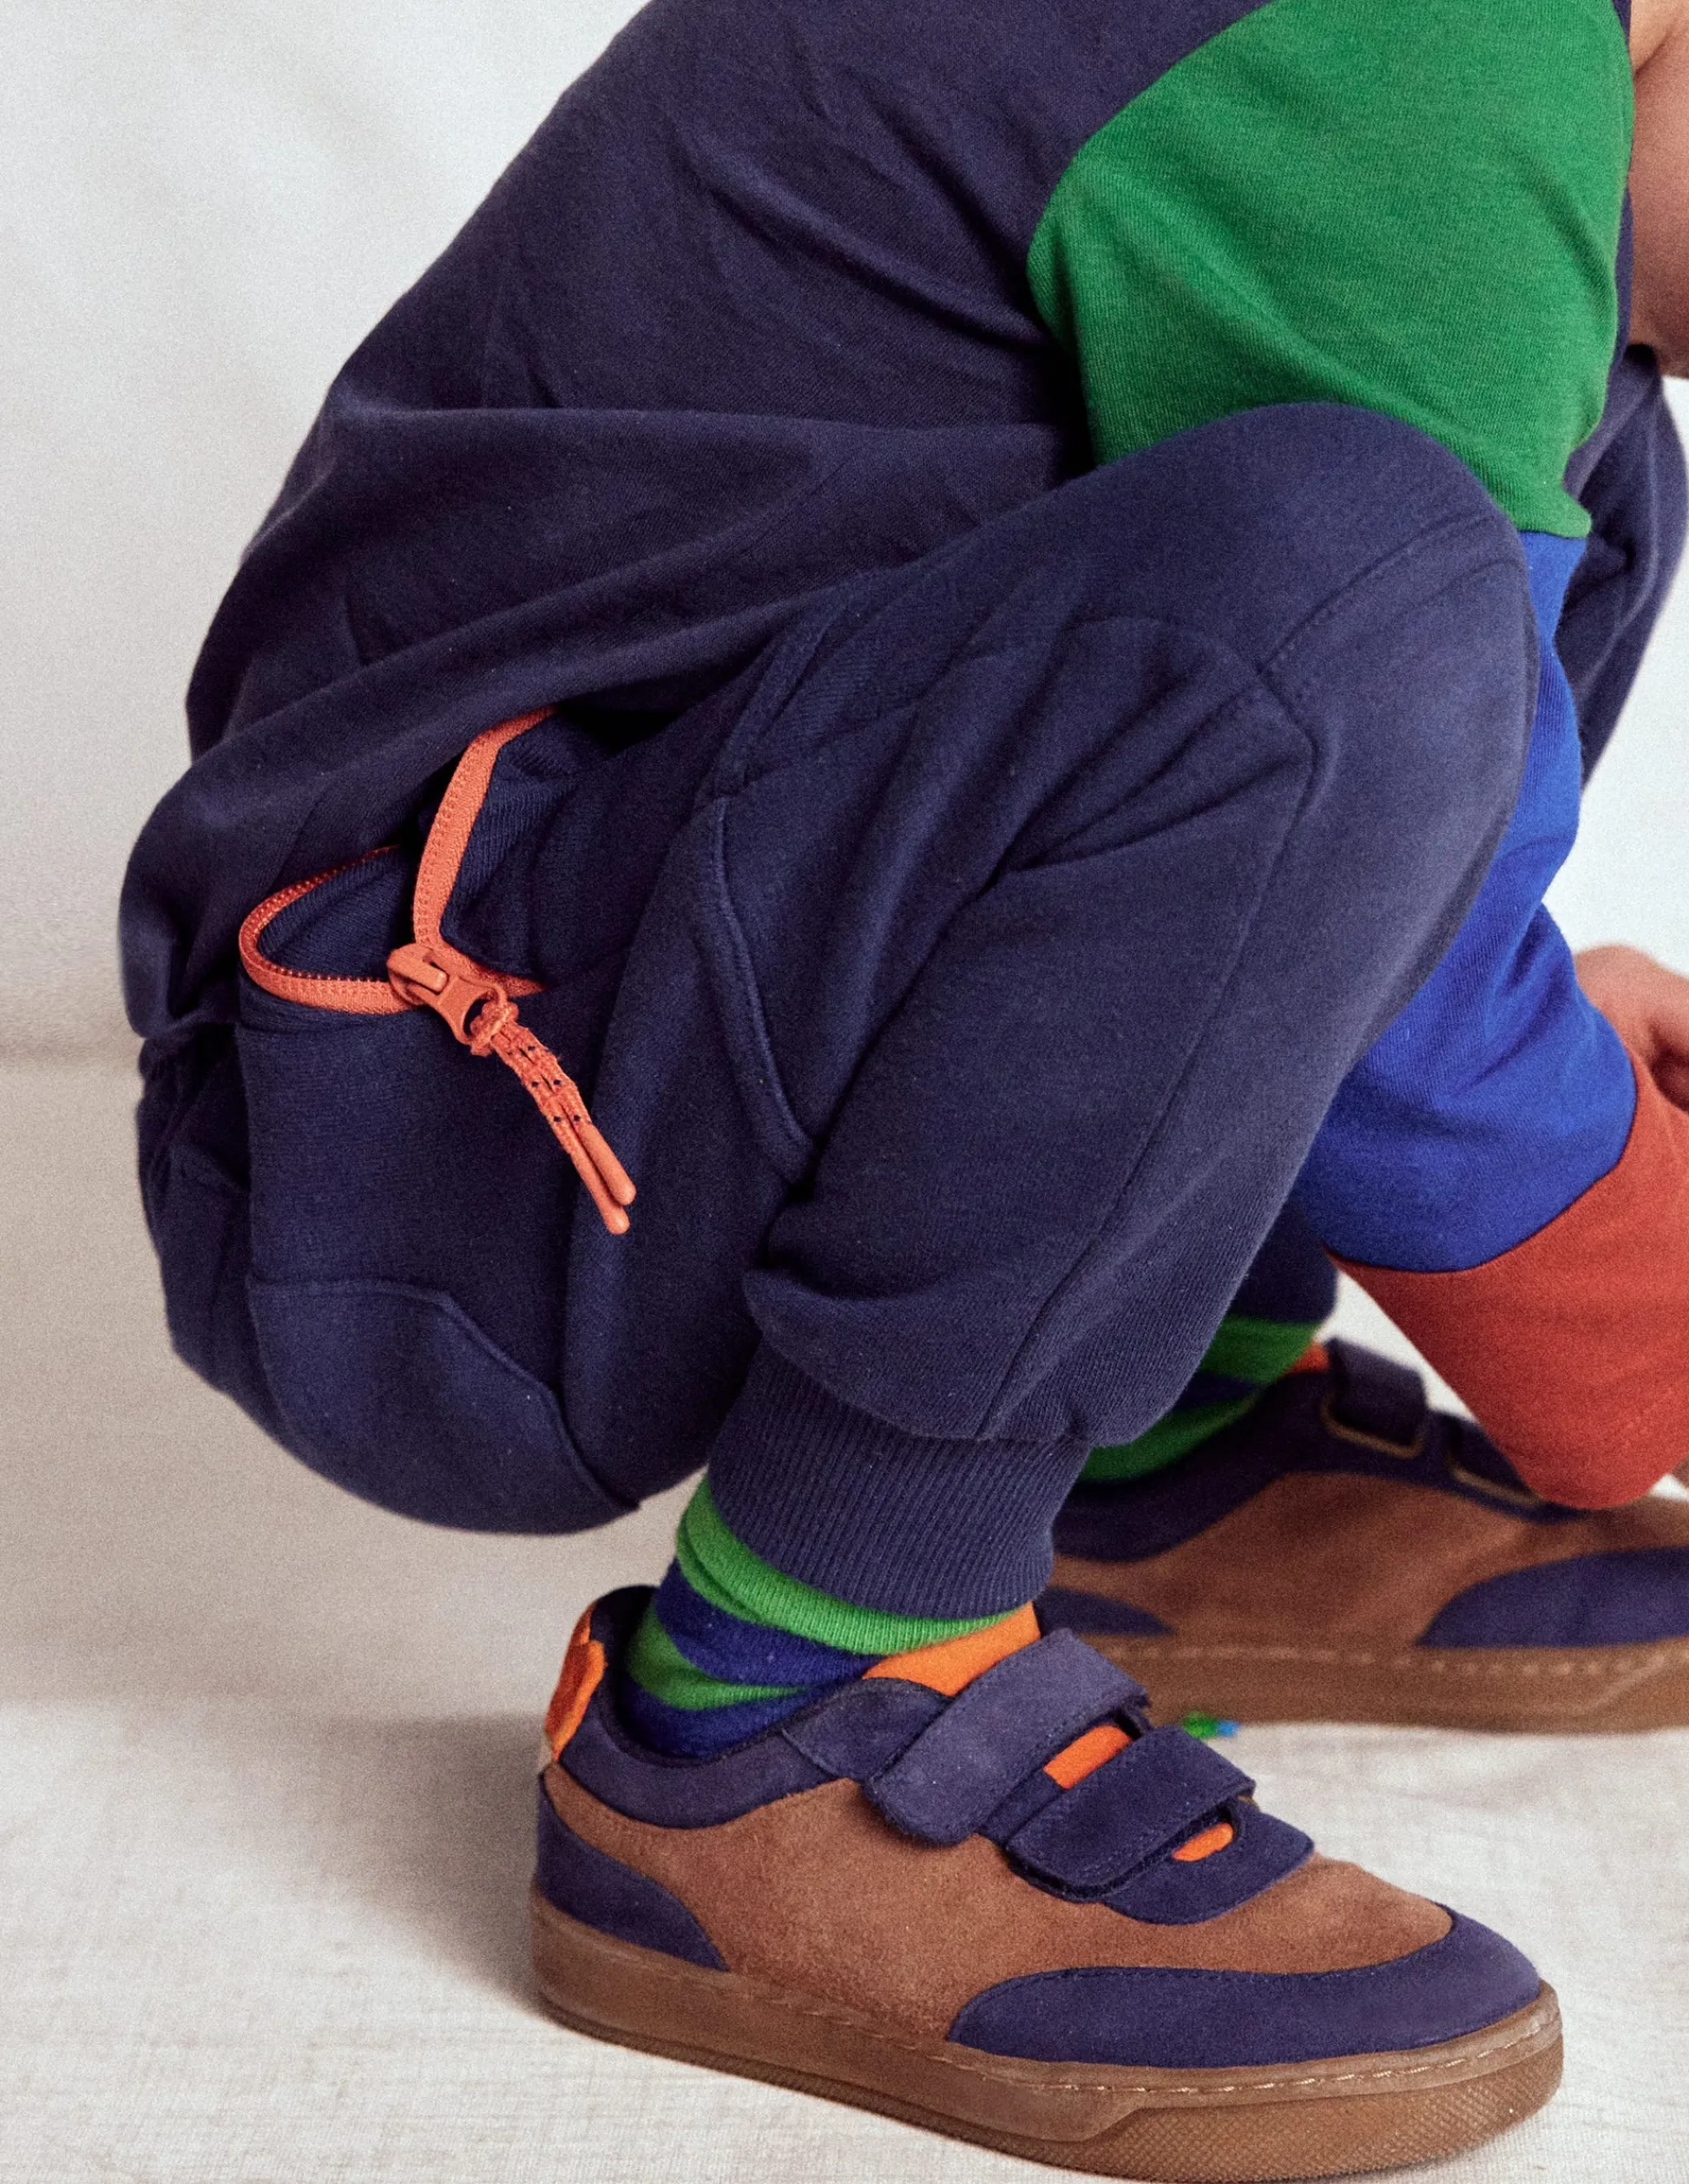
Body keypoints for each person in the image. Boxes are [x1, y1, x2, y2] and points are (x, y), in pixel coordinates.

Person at [123, 0, 1689, 2171]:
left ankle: (1165, 1450)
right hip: (402, 1151)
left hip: (599, 993)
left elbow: (1331, 845)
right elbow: (1327, 746)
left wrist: (1549, 1043)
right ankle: (787, 1706)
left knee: (1576, 468)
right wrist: (1633, 1295)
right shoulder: (1441, 36)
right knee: (1368, 561)